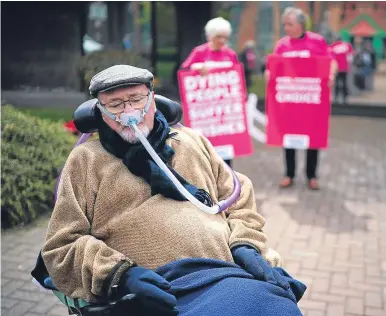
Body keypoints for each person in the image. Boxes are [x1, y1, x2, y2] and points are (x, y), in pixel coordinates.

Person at [38, 65, 306, 316]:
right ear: (100, 112)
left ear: (152, 100)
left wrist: (245, 244)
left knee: (277, 309)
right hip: (156, 288)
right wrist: (119, 275)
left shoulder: (191, 142)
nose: (128, 112)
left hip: (225, 272)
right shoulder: (86, 160)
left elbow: (237, 197)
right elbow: (62, 244)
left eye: (135, 99)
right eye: (115, 105)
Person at [265, 7, 338, 190]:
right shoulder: (282, 44)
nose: (286, 28)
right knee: (289, 137)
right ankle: (289, 174)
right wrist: (269, 74)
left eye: (290, 24)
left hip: (311, 101)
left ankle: (311, 176)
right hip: (289, 101)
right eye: (285, 25)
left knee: (312, 137)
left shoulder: (317, 41)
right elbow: (274, 67)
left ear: (301, 25)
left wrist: (331, 75)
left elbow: (331, 62)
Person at [180, 17, 240, 168]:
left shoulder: (230, 54)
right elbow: (184, 70)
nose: (222, 40)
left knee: (226, 146)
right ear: (210, 36)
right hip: (205, 108)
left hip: (225, 108)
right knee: (208, 148)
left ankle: (228, 177)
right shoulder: (199, 52)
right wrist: (197, 67)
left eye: (225, 37)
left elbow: (237, 77)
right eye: (218, 36)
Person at [329, 35, 354, 104]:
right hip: (345, 68)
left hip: (335, 69)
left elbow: (330, 59)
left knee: (336, 84)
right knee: (345, 83)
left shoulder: (332, 46)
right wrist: (349, 66)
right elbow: (350, 58)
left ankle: (336, 98)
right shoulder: (347, 45)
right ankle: (345, 98)